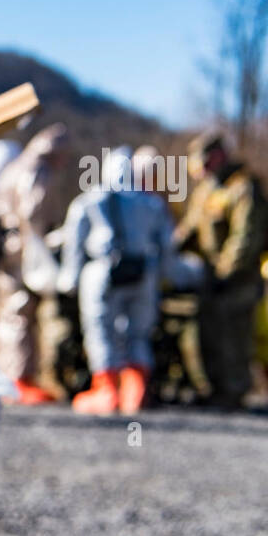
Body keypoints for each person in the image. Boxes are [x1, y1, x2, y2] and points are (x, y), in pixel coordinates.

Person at [57, 147, 173, 415]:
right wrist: (177, 276)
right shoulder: (152, 204)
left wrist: (68, 281)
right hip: (143, 273)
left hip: (103, 274)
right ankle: (135, 389)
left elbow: (74, 245)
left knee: (101, 330)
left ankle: (107, 390)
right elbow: (167, 249)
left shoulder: (89, 200)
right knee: (139, 331)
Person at [173, 132, 268, 409]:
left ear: (218, 157)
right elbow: (190, 229)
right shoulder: (206, 190)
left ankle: (234, 393)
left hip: (238, 280)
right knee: (206, 334)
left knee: (234, 337)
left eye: (203, 162)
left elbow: (246, 238)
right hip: (210, 277)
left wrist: (226, 273)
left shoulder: (242, 187)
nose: (199, 171)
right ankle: (214, 390)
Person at [0, 124, 73, 404]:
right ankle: (19, 380)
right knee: (21, 311)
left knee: (10, 313)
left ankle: (16, 376)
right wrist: (46, 243)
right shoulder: (37, 170)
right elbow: (33, 212)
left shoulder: (15, 167)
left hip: (9, 247)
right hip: (25, 250)